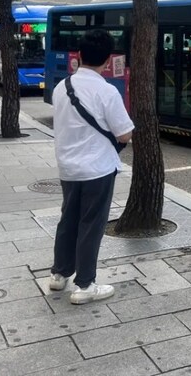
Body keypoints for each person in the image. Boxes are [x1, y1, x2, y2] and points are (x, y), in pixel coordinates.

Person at [49, 29, 134, 305]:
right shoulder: (107, 91)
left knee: (68, 219)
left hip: (68, 168)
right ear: (108, 60)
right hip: (97, 169)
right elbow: (124, 134)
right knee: (91, 224)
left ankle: (59, 275)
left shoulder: (62, 87)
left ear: (80, 56)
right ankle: (84, 284)